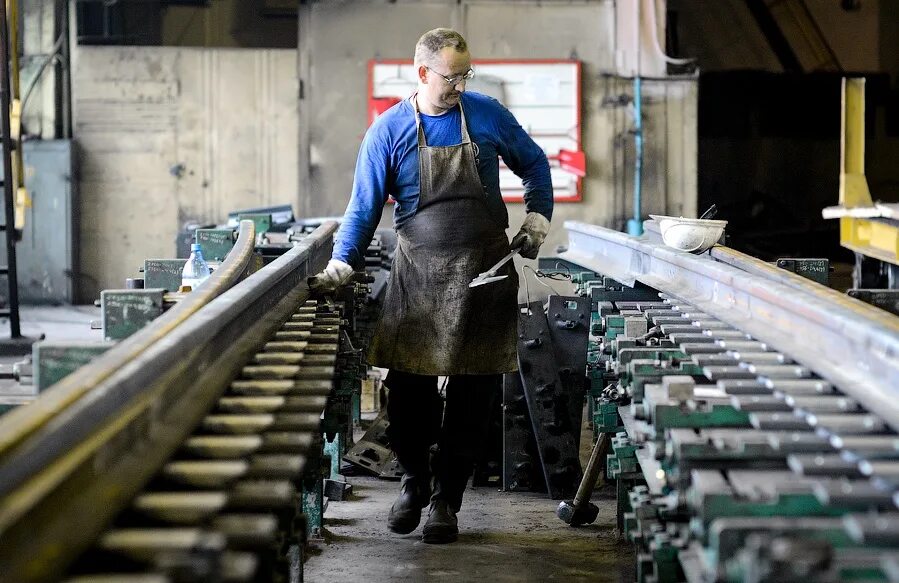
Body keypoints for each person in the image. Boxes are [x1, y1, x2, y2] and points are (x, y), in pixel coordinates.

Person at [310, 27, 553, 544]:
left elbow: (534, 163)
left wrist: (537, 218)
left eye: (466, 74)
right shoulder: (389, 131)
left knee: (475, 391)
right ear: (422, 73)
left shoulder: (487, 115)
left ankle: (447, 500)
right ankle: (414, 481)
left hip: (486, 273)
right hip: (419, 274)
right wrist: (341, 264)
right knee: (410, 392)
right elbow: (362, 208)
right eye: (451, 76)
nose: (460, 85)